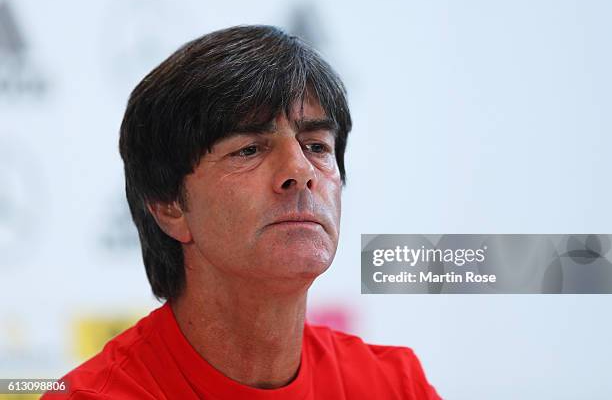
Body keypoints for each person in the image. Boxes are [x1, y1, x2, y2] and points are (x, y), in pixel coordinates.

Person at [43, 25, 441, 399]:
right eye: (249, 149)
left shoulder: (393, 384)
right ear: (169, 206)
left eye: (317, 146)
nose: (301, 172)